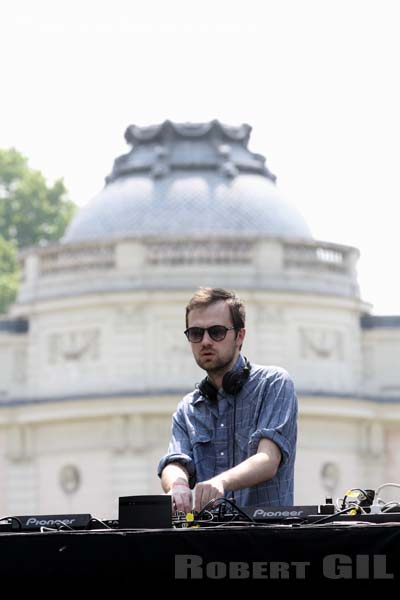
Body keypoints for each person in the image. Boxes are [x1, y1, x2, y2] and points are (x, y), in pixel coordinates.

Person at [157, 287, 298, 513]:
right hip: (205, 544)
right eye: (195, 333)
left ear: (240, 336)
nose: (205, 341)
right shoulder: (187, 409)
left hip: (267, 542)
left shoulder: (274, 383)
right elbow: (174, 462)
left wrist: (220, 482)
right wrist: (178, 484)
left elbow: (268, 459)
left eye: (216, 332)